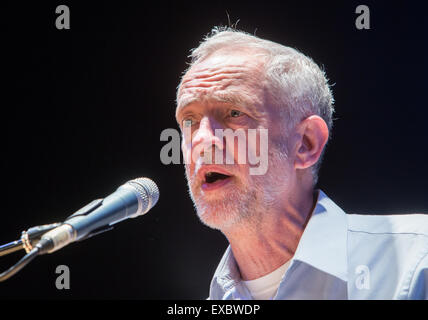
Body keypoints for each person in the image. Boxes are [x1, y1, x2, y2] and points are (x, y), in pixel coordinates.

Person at [174, 27, 428, 299]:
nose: (202, 139)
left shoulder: (413, 262)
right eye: (189, 121)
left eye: (234, 113)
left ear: (306, 143)